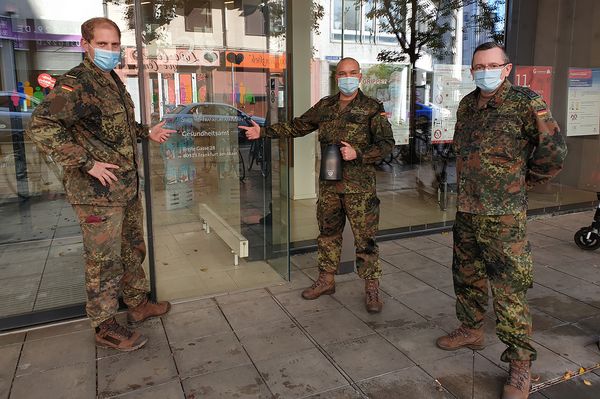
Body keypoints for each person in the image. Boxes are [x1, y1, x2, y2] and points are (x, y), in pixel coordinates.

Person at [27, 17, 175, 352]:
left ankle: (137, 305)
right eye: (102, 44)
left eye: (114, 44)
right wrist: (87, 163)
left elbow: (117, 129)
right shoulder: (76, 83)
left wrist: (146, 132)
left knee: (132, 249)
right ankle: (105, 325)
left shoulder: (109, 80)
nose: (109, 50)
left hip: (124, 188)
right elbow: (42, 126)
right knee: (102, 261)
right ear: (86, 44)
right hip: (97, 194)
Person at [435, 42, 567, 399]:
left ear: (507, 68)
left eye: (492, 65)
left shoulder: (526, 102)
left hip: (504, 216)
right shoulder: (467, 105)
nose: (484, 71)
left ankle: (521, 365)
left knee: (510, 289)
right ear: (472, 70)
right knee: (466, 275)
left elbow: (554, 151)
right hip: (467, 210)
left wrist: (524, 183)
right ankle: (471, 329)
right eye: (478, 66)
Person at [240, 57, 394, 313]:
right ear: (336, 78)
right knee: (327, 234)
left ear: (360, 76)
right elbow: (298, 126)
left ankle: (371, 287)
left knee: (365, 239)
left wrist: (359, 153)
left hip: (360, 189)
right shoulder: (326, 106)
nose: (347, 77)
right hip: (330, 185)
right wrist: (263, 132)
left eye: (352, 73)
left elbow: (387, 143)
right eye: (342, 73)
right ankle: (326, 280)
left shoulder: (371, 107)